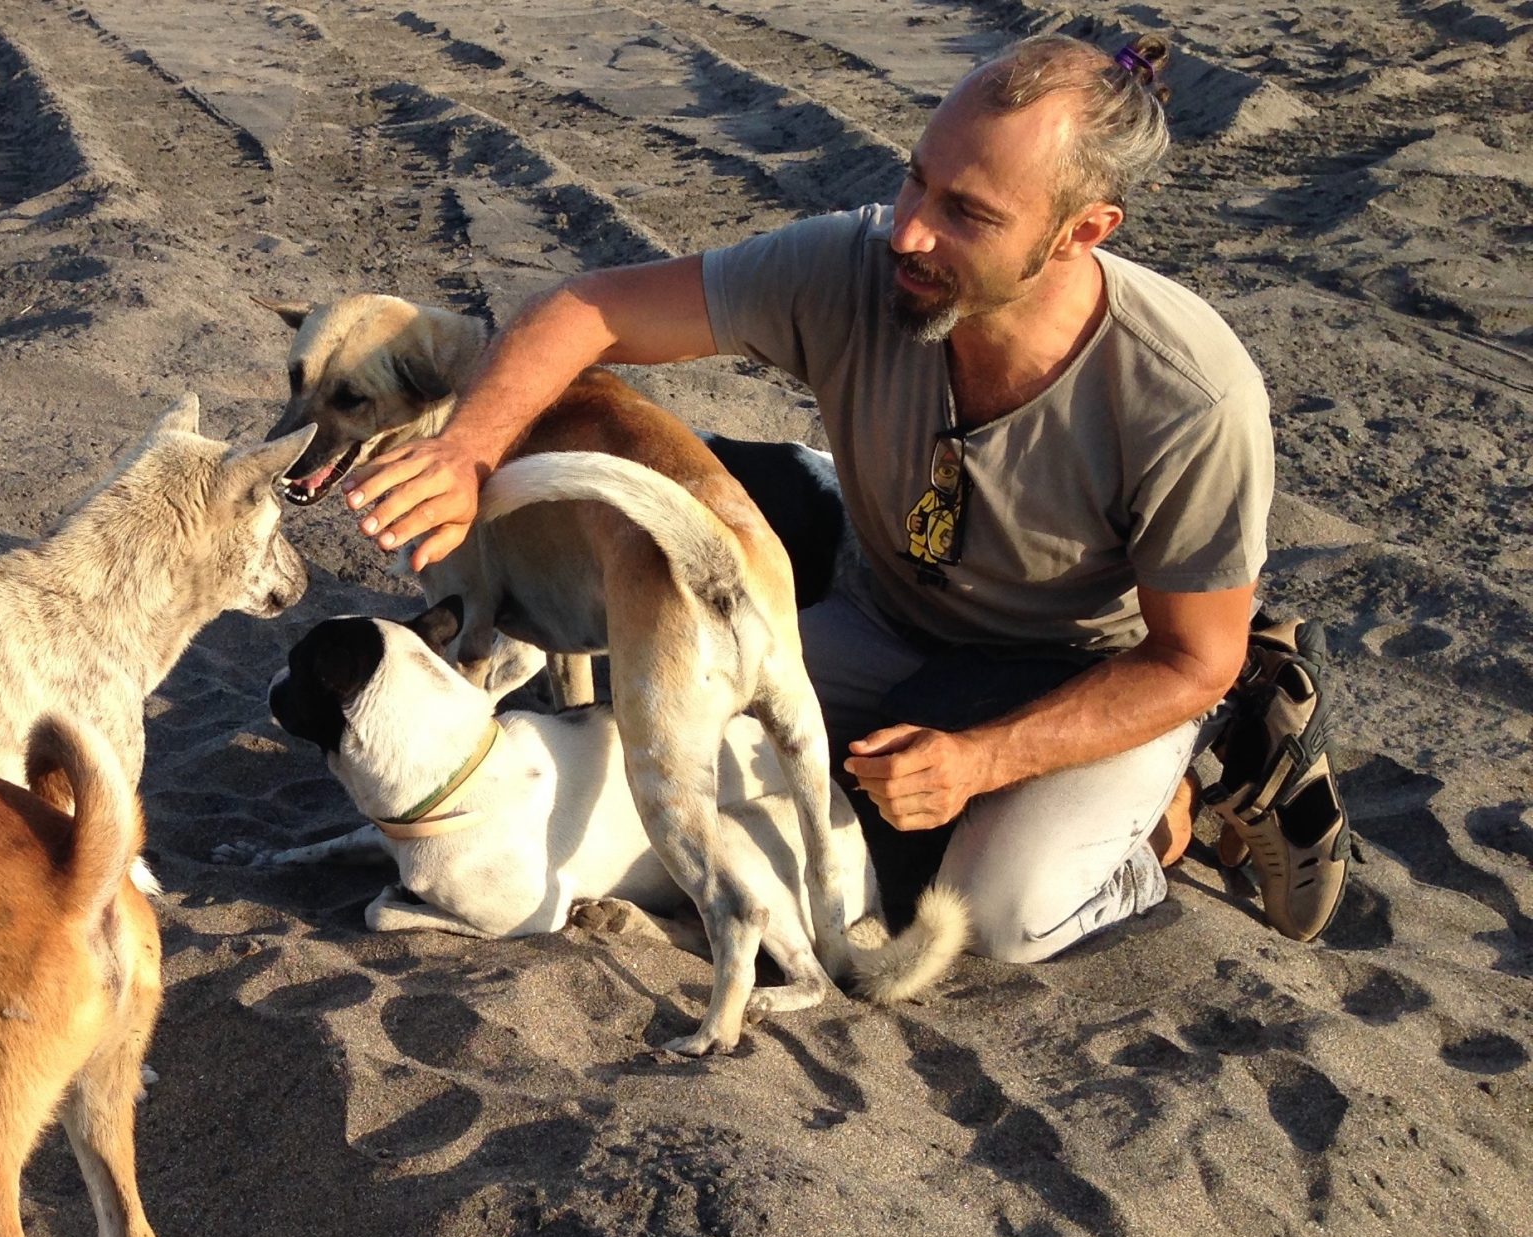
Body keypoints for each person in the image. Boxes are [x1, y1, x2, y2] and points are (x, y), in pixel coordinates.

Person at [339, 33, 1351, 961]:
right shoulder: (858, 265)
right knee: (646, 727)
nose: (908, 231)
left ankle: (1180, 808)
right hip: (891, 614)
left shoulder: (1187, 393)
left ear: (1081, 231)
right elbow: (591, 307)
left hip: (1092, 663)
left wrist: (981, 759)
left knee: (995, 916)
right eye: (916, 178)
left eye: (967, 213)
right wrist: (470, 449)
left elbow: (1189, 655)